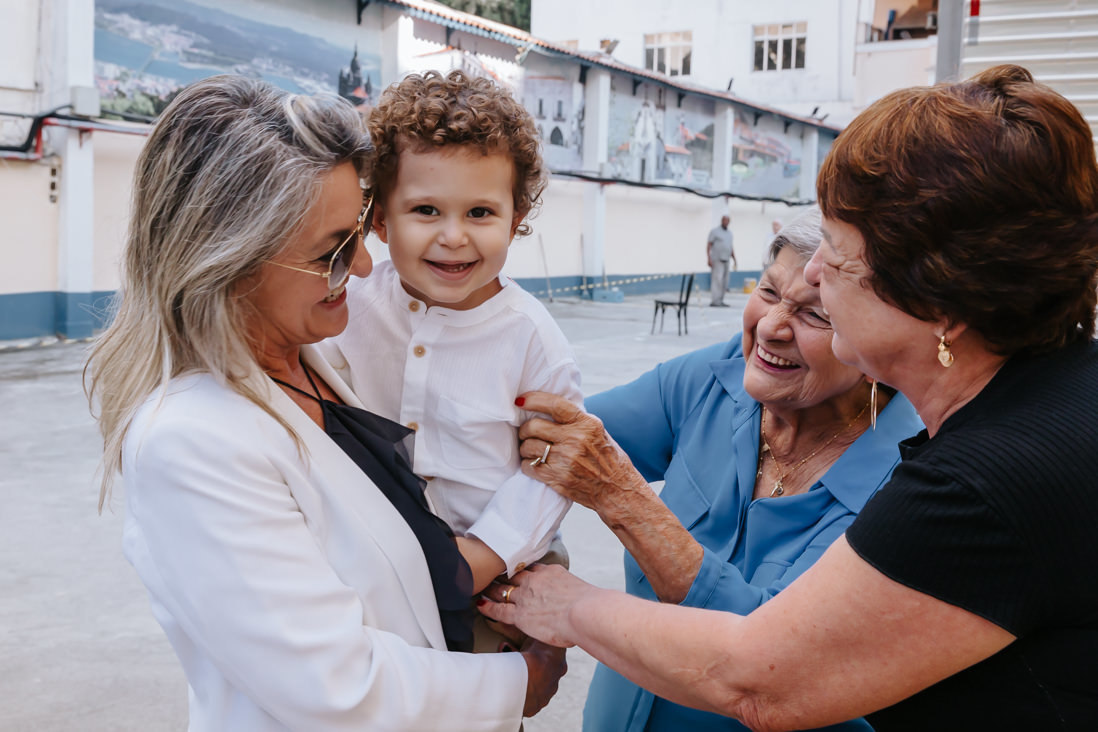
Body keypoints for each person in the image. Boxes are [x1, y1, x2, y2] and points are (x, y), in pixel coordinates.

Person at [482, 64, 1098, 730]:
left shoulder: (976, 486)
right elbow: (538, 436)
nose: (812, 271)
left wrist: (566, 605)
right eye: (774, 289)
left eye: (835, 253)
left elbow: (759, 680)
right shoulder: (1057, 393)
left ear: (938, 301)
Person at [85, 74, 564, 731]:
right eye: (333, 251)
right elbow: (336, 687)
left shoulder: (315, 361)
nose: (365, 268)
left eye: (358, 234)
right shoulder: (191, 442)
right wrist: (520, 682)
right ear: (232, 262)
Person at [537, 206, 921, 732]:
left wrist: (621, 502)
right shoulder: (714, 379)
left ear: (877, 341)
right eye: (768, 291)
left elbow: (772, 655)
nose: (770, 327)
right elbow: (549, 438)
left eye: (815, 315)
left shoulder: (909, 476)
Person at [319, 70, 579, 621]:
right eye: (426, 211)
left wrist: (482, 557)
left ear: (516, 220)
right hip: (377, 564)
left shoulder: (533, 340)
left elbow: (552, 472)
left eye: (480, 213)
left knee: (492, 676)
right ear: (380, 219)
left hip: (497, 580)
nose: (454, 236)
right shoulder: (350, 305)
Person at [707, 214, 736, 306]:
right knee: (717, 280)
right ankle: (715, 301)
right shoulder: (715, 232)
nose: (726, 222)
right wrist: (709, 258)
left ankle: (720, 300)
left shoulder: (730, 234)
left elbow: (730, 247)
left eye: (727, 220)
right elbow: (709, 245)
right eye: (724, 220)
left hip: (726, 259)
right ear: (721, 221)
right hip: (717, 259)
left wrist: (734, 259)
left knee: (724, 281)